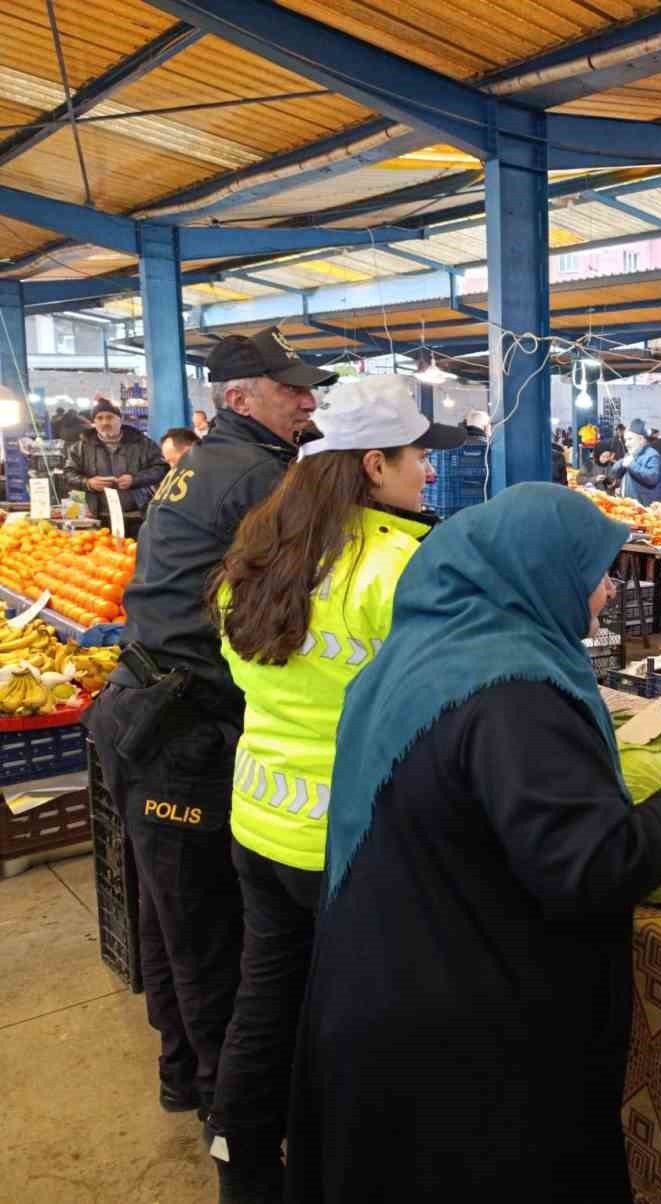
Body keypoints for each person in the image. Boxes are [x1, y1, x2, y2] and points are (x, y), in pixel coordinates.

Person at [284, 484, 661, 1203]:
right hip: (465, 1047)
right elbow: (589, 867)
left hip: (386, 990)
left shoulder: (424, 649)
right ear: (536, 570)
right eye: (593, 571)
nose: (608, 589)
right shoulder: (515, 693)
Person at [203, 375, 463, 1201]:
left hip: (260, 818)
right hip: (347, 839)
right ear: (373, 464)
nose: (427, 471)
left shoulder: (261, 548)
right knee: (361, 1019)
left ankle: (241, 1164)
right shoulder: (394, 567)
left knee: (267, 996)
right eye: (417, 456)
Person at [84, 327, 336, 1134]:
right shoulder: (261, 478)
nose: (307, 399)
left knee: (167, 916)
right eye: (290, 388)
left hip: (145, 710)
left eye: (308, 388)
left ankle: (180, 1076)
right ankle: (230, 1116)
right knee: (205, 929)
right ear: (238, 398)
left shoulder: (202, 462)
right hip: (184, 726)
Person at [61, 398, 168, 524]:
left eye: (110, 417)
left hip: (138, 514)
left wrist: (135, 479)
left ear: (120, 420)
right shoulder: (79, 447)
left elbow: (161, 468)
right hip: (97, 516)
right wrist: (88, 483)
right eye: (99, 418)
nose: (105, 422)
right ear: (94, 422)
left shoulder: (143, 443)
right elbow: (68, 474)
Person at [611, 418, 661, 504]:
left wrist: (631, 464)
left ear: (641, 440)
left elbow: (652, 478)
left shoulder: (652, 455)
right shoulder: (631, 455)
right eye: (625, 440)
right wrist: (622, 463)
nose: (626, 444)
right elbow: (614, 472)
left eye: (630, 439)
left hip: (646, 510)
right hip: (630, 506)